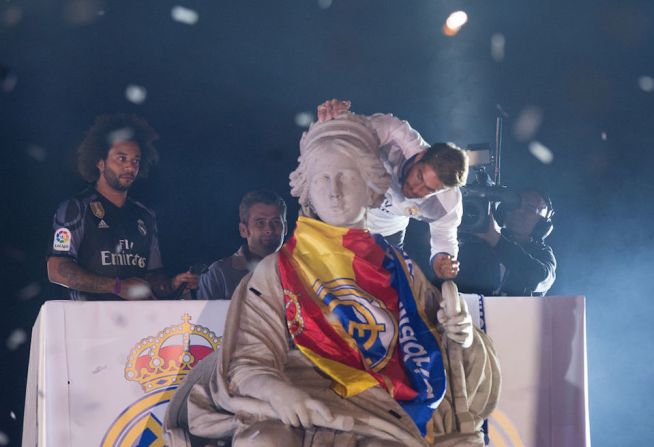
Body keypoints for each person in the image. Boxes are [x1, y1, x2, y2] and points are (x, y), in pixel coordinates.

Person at [165, 113, 499, 447]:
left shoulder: (401, 269)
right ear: (307, 190)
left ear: (371, 187)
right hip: (294, 402)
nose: (335, 192)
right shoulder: (278, 269)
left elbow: (444, 353)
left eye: (346, 177)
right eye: (322, 179)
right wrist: (282, 395)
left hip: (380, 411)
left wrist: (462, 336)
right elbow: (248, 363)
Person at [46, 114, 199, 301]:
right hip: (86, 322)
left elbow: (152, 278)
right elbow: (57, 269)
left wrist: (172, 284)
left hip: (134, 324)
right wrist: (117, 286)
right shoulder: (76, 208)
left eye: (135, 160)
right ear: (100, 162)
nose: (130, 167)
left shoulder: (145, 216)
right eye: (121, 158)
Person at [316, 99, 468, 282]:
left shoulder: (447, 203)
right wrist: (335, 120)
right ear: (420, 155)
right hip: (341, 215)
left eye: (428, 190)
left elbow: (444, 234)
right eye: (419, 176)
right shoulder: (395, 134)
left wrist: (442, 258)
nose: (415, 189)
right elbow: (353, 134)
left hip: (387, 234)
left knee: (385, 291)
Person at [456, 188, 557, 296]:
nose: (518, 211)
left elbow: (540, 279)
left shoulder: (543, 253)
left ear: (542, 224)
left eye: (530, 209)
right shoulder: (481, 238)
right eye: (515, 205)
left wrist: (496, 240)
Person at [196, 189, 287, 300]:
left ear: (285, 228)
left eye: (276, 222)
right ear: (243, 230)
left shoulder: (300, 271)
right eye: (260, 222)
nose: (269, 229)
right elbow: (205, 316)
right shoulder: (220, 274)